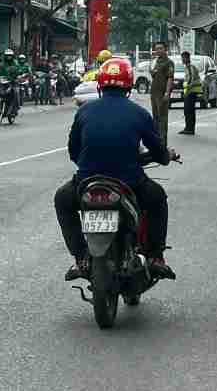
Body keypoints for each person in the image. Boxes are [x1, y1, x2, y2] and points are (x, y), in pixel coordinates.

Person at [54, 55, 178, 281]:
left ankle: (81, 258)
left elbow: (73, 151)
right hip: (129, 183)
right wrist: (165, 156)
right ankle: (157, 257)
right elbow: (160, 154)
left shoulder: (85, 111)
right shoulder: (139, 114)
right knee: (158, 198)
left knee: (62, 200)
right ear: (129, 85)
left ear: (100, 84)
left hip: (87, 183)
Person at [148, 43, 174, 143]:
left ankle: (163, 141)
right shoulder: (155, 61)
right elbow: (153, 74)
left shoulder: (169, 62)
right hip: (154, 92)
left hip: (162, 92)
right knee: (155, 117)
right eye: (156, 49)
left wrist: (167, 93)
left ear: (165, 49)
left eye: (160, 48)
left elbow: (170, 78)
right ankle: (156, 140)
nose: (158, 50)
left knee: (162, 118)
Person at [179, 49, 202, 136]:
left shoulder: (190, 67)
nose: (182, 60)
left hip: (192, 91)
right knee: (189, 111)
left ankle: (189, 129)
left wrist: (187, 90)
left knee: (188, 110)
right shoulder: (188, 67)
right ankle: (188, 128)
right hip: (190, 91)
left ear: (187, 58)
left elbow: (191, 80)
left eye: (183, 58)